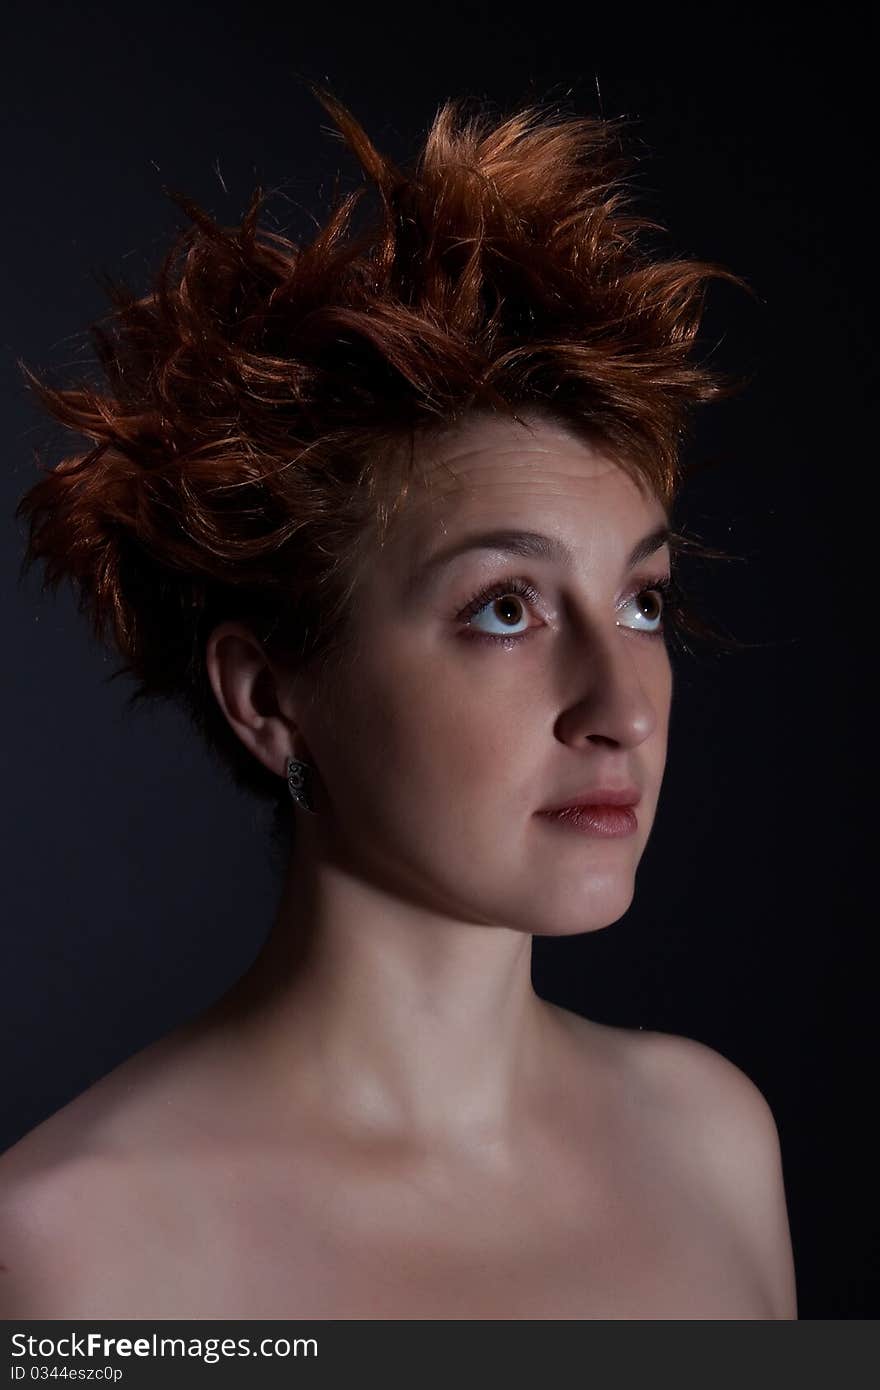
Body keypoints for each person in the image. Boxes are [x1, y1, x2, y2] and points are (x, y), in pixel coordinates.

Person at [2, 83, 797, 1319]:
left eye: (640, 602)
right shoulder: (66, 1256)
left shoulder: (713, 1139)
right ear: (269, 698)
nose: (621, 709)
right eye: (504, 608)